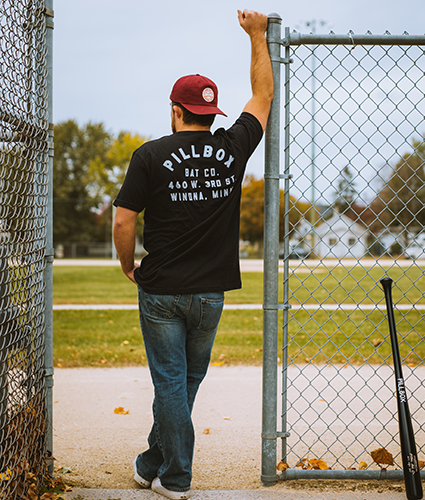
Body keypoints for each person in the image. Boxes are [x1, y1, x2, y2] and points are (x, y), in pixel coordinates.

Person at [112, 9, 273, 500]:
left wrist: (126, 266)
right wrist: (258, 36)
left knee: (170, 386)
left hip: (161, 289)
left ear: (175, 110)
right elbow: (263, 95)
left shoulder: (150, 154)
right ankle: (151, 462)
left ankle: (176, 478)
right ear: (213, 114)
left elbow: (123, 220)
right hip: (210, 292)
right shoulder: (233, 147)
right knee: (183, 386)